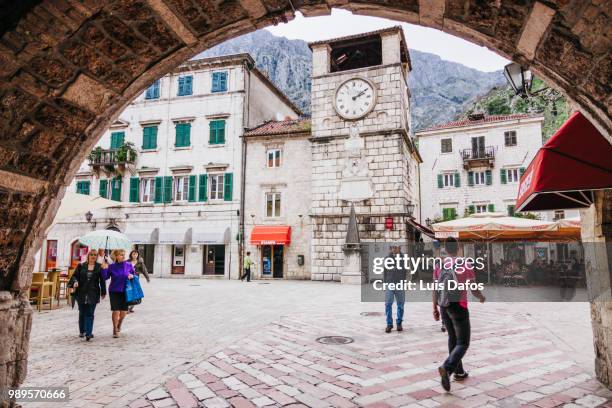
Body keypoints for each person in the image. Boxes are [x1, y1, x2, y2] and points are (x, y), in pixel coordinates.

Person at [433, 237, 485, 392]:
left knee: (453, 339)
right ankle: (447, 368)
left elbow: (435, 288)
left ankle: (459, 372)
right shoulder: (464, 263)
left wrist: (434, 307)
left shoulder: (439, 264)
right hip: (458, 306)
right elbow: (473, 288)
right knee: (463, 342)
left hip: (444, 305)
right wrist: (481, 297)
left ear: (446, 249)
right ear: (458, 248)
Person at [68, 249, 106, 341]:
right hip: (81, 292)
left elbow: (102, 280)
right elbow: (74, 276)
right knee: (82, 312)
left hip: (93, 292)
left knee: (90, 313)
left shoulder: (99, 267)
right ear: (88, 256)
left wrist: (103, 292)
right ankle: (82, 331)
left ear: (97, 256)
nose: (93, 256)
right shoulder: (81, 266)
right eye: (91, 254)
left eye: (95, 255)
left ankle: (89, 333)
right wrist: (75, 282)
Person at [101, 249, 135, 338]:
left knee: (123, 311)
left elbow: (134, 275)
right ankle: (115, 329)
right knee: (115, 310)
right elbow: (105, 277)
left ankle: (119, 323)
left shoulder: (129, 265)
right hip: (114, 291)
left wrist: (132, 276)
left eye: (124, 254)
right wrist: (104, 269)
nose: (123, 256)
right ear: (116, 256)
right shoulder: (111, 266)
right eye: (121, 255)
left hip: (126, 291)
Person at [384, 245, 406, 333]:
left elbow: (408, 271)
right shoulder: (387, 258)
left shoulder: (403, 258)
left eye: (395, 247)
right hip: (390, 283)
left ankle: (399, 323)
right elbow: (385, 271)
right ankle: (389, 324)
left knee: (400, 305)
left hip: (400, 284)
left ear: (399, 248)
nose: (393, 249)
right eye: (392, 247)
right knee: (388, 304)